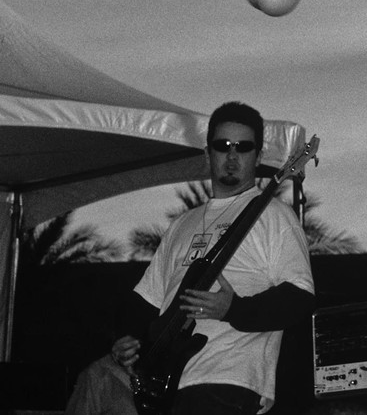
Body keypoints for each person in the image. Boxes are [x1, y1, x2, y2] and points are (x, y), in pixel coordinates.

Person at [110, 101, 315, 415]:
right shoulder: (182, 224)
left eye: (243, 148)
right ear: (208, 153)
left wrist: (233, 309)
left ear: (258, 156)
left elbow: (299, 298)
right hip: (167, 386)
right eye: (223, 146)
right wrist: (128, 342)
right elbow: (147, 302)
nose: (232, 157)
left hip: (228, 381)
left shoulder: (275, 215)